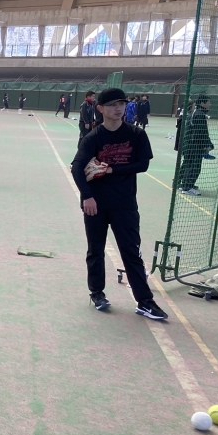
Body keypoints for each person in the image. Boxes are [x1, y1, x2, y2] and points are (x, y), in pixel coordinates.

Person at [70, 88, 167, 320]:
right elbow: (77, 167)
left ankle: (145, 301)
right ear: (100, 108)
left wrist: (112, 169)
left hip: (124, 202)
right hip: (96, 203)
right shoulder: (93, 138)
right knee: (96, 249)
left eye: (121, 104)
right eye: (112, 104)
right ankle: (97, 293)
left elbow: (143, 164)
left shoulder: (136, 134)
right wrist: (87, 196)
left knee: (131, 251)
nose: (118, 108)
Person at [178, 95, 213, 195]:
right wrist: (206, 145)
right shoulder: (199, 114)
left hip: (189, 144)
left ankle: (185, 185)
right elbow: (201, 132)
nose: (210, 104)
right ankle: (187, 188)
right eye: (208, 102)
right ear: (202, 103)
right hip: (194, 146)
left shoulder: (195, 113)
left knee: (189, 165)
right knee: (194, 167)